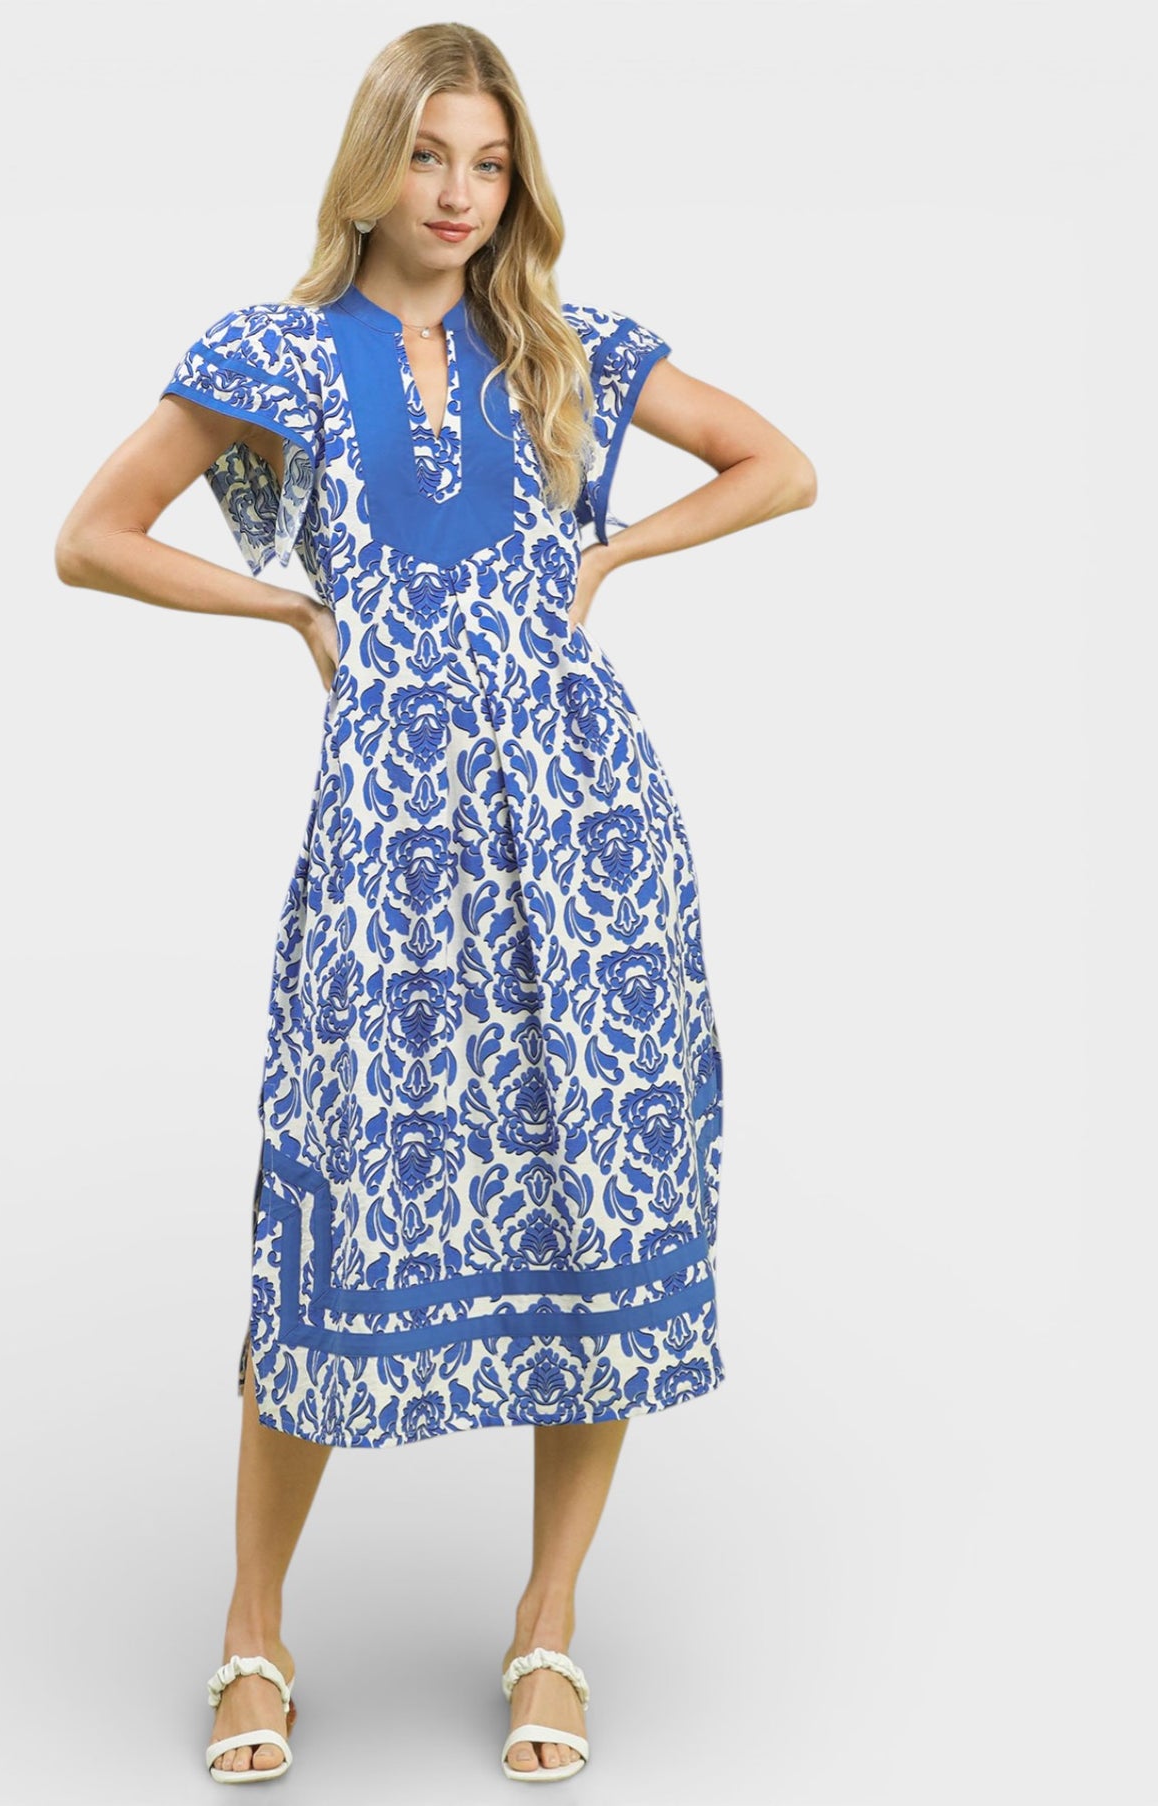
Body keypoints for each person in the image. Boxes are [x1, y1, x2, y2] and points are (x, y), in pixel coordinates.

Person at [55, 19, 815, 1788]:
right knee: (334, 1200)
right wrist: (292, 616)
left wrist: (613, 552)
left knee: (595, 1196)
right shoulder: (278, 353)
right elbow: (92, 533)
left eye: (487, 162)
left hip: (589, 824)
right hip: (391, 842)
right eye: (428, 157)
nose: (459, 194)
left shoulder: (561, 346)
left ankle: (546, 1621)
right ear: (372, 163)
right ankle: (254, 1630)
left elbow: (780, 464)